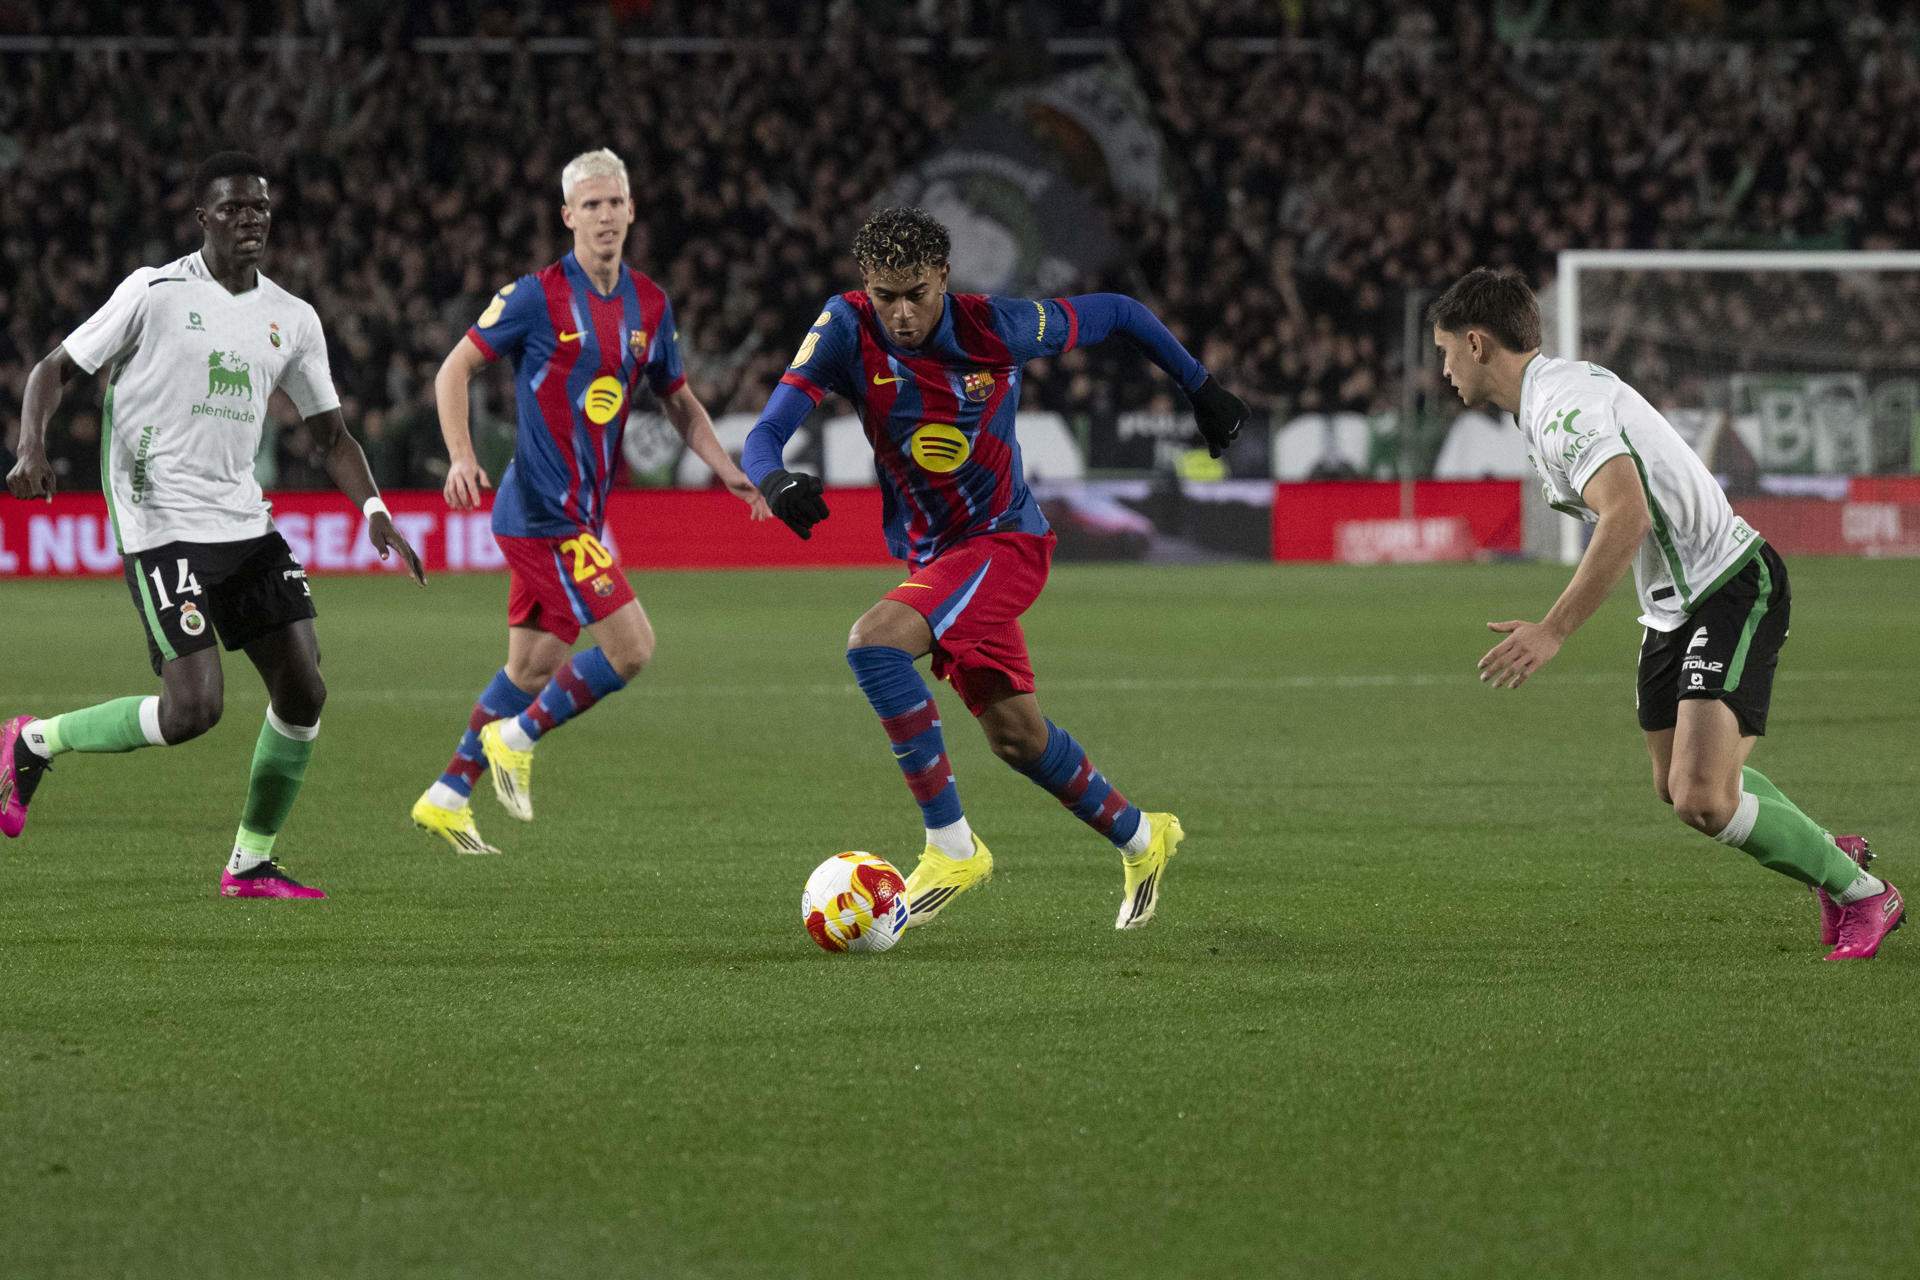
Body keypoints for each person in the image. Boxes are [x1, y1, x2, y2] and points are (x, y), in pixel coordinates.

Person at [743, 206, 1247, 930]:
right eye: (886, 296)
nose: (902, 312)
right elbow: (765, 432)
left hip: (1005, 543)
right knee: (1018, 737)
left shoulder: (996, 327)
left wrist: (1202, 388)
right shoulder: (845, 328)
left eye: (917, 292)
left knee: (876, 643)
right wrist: (774, 479)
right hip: (937, 559)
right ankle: (1145, 835)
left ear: (943, 278)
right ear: (865, 287)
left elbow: (1119, 313)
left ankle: (950, 845)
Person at [1431, 267, 1901, 960]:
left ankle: (1865, 893)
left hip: (1732, 584)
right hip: (1672, 611)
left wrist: (1553, 629)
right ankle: (1825, 848)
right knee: (1674, 784)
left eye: (1443, 351)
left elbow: (1628, 514)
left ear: (1476, 343)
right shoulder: (1548, 400)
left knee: (1702, 797)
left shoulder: (1562, 407)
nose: (1442, 369)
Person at [2, 151, 425, 899]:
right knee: (194, 708)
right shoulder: (154, 291)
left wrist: (376, 509)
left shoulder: (290, 318)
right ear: (203, 219)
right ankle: (32, 741)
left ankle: (251, 863)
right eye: (232, 209)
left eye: (259, 208)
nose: (249, 221)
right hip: (160, 522)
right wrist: (31, 446)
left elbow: (331, 437)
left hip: (244, 522)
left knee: (305, 693)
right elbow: (52, 370)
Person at [412, 148, 767, 853]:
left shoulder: (650, 305)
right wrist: (461, 455)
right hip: (544, 513)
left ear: (632, 210)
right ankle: (515, 738)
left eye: (616, 203)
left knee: (531, 666)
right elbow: (455, 368)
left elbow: (680, 402)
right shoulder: (535, 296)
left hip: (572, 514)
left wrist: (725, 465)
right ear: (569, 215)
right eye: (591, 205)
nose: (605, 216)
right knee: (631, 648)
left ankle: (448, 792)